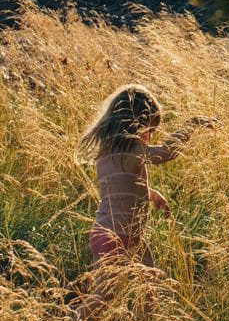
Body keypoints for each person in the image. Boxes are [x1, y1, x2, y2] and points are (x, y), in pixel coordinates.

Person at [76, 84, 213, 276]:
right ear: (135, 125)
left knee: (149, 286)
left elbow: (119, 188)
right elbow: (168, 152)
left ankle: (145, 306)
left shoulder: (108, 153)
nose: (149, 137)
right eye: (150, 130)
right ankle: (78, 309)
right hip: (116, 237)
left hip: (117, 235)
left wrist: (151, 194)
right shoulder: (132, 152)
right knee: (103, 297)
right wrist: (192, 124)